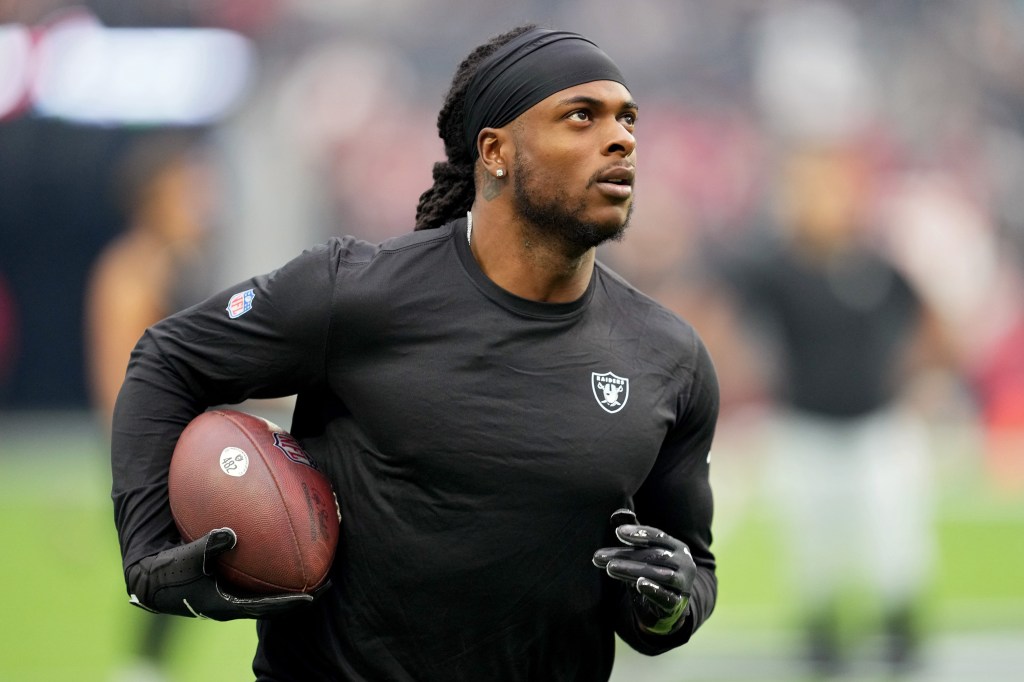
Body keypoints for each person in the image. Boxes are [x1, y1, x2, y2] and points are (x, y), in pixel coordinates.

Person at [110, 25, 719, 681]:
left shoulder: (669, 357)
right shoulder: (355, 291)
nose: (622, 137)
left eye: (627, 118)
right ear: (496, 152)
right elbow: (168, 359)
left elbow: (686, 572)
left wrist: (669, 604)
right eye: (582, 116)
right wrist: (147, 550)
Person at [712, 141, 943, 678]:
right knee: (812, 542)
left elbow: (929, 322)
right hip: (805, 427)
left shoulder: (875, 267)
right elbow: (720, 322)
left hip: (878, 426)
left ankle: (900, 630)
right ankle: (823, 637)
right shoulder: (773, 269)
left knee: (894, 538)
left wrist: (922, 378)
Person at [86, 130, 218, 682]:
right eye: (186, 189)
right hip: (156, 449)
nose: (201, 201)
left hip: (181, 442)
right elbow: (120, 375)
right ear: (155, 197)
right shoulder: (134, 268)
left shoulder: (177, 264)